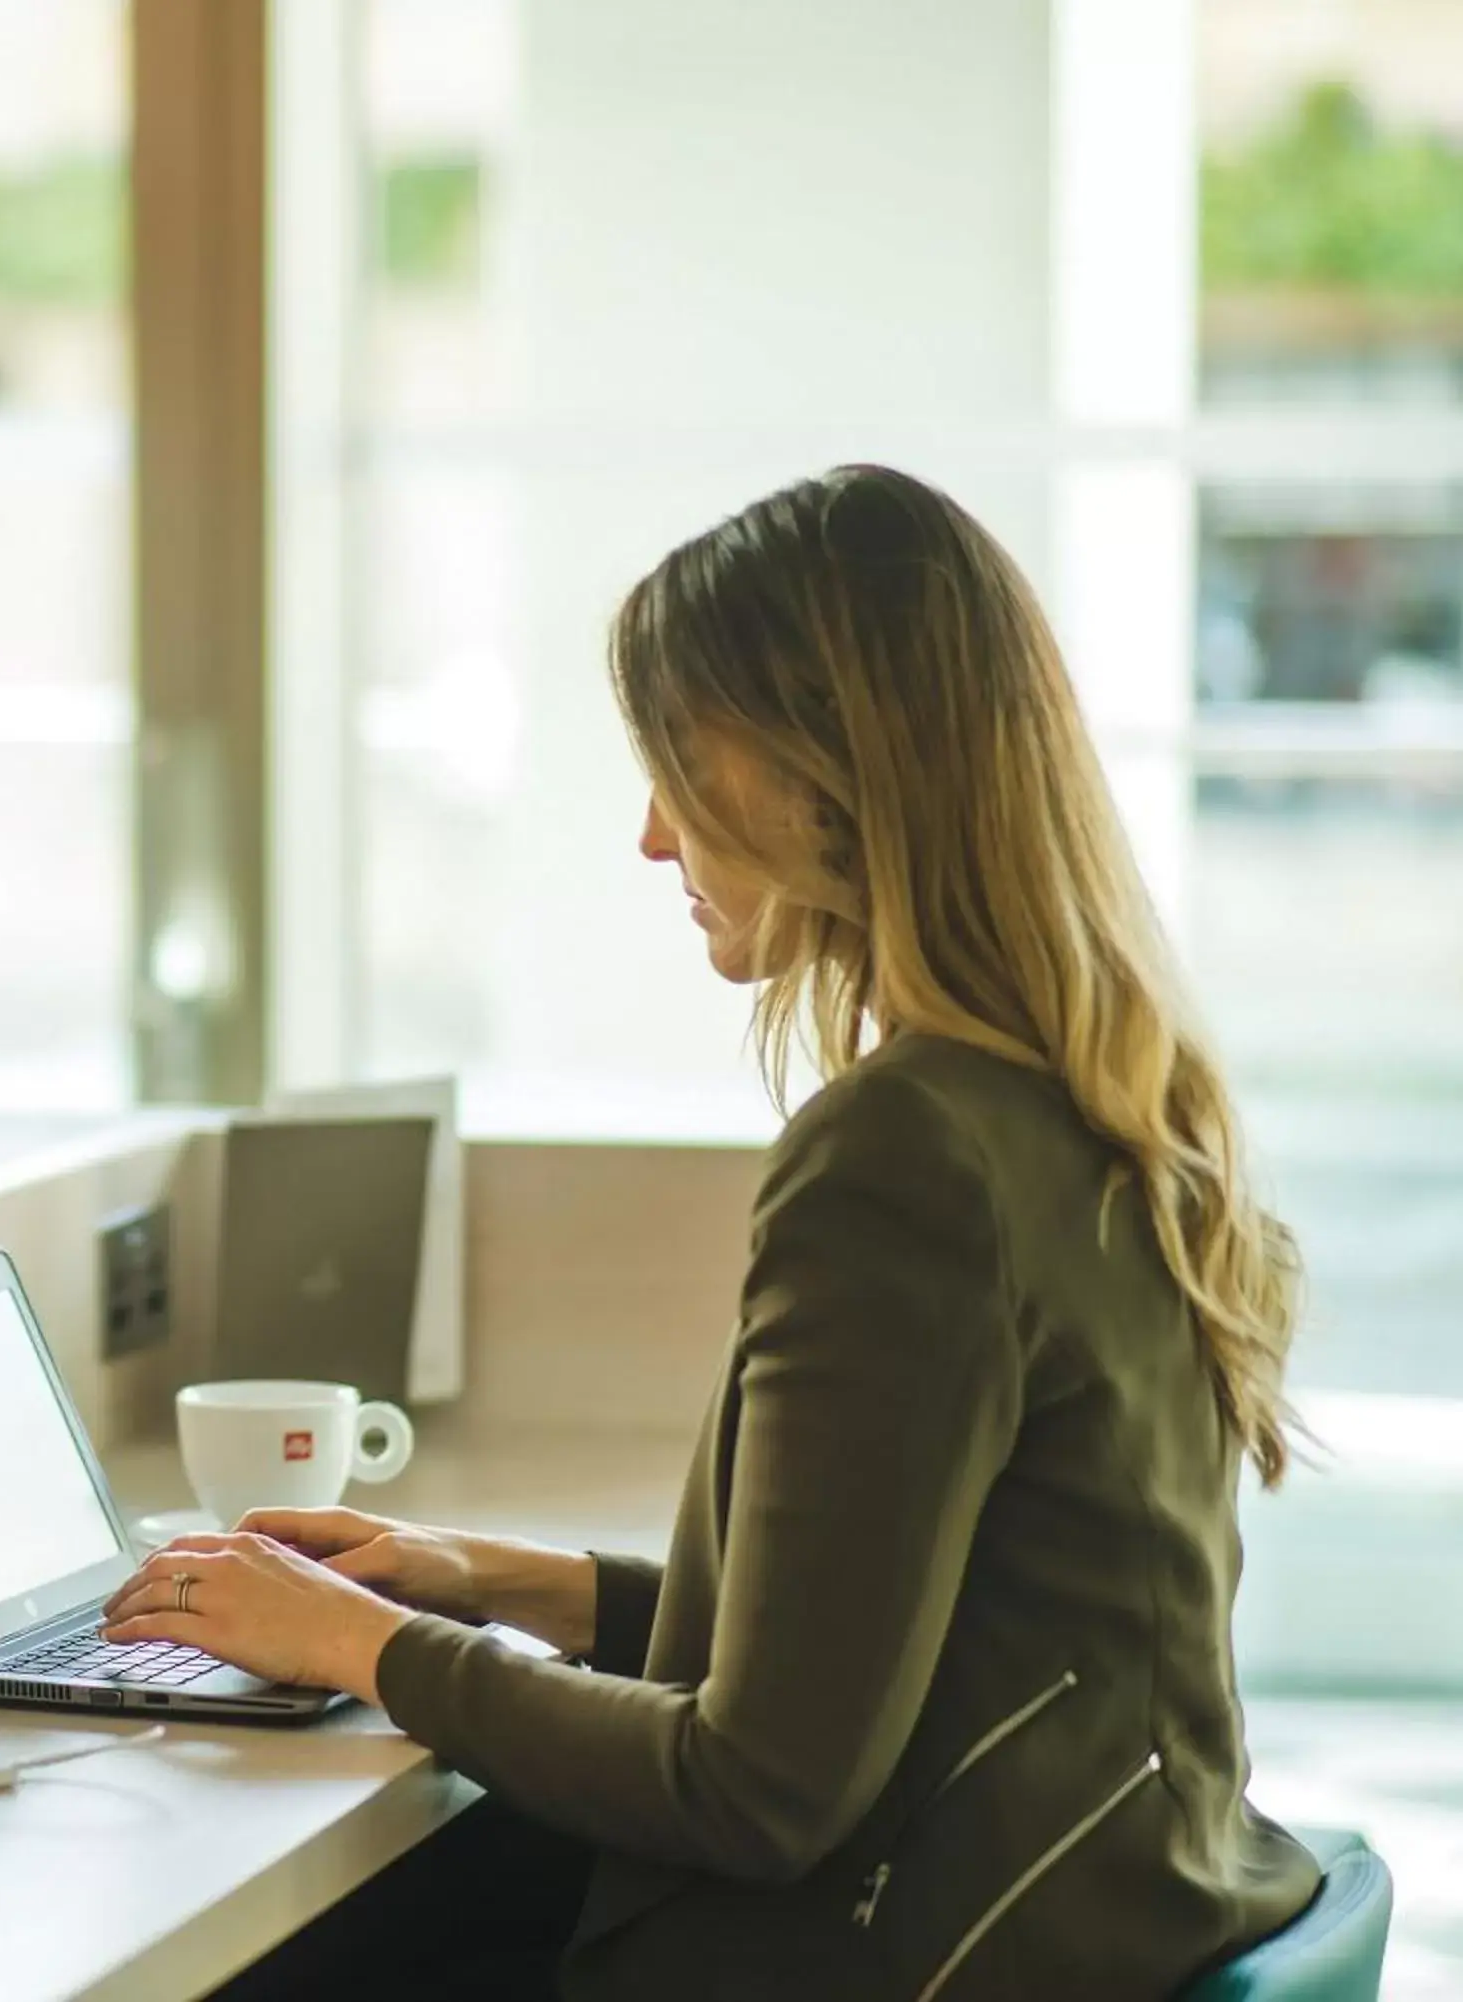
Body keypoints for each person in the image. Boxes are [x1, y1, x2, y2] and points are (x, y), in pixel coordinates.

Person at [104, 467, 1321, 1999]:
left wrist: (355, 1645)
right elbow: (888, 1641)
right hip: (1100, 1908)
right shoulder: (1102, 1103)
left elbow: (759, 1785)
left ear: (828, 773)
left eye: (682, 764)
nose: (653, 838)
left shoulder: (906, 1150)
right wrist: (482, 1575)